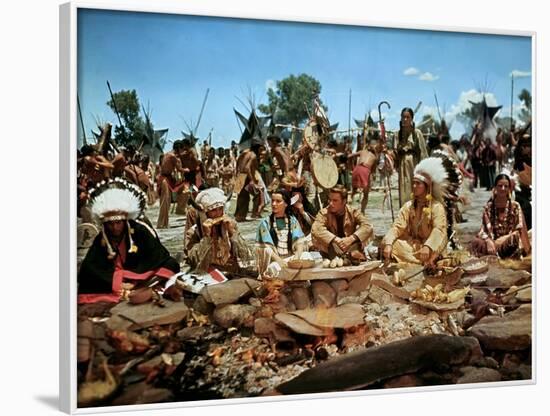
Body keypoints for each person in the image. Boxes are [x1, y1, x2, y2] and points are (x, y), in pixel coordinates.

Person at [78, 178, 180, 304]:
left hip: (141, 275)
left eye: (118, 223)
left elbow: (159, 256)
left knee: (171, 264)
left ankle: (143, 288)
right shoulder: (102, 237)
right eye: (110, 224)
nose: (114, 227)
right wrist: (117, 282)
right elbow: (89, 268)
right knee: (87, 279)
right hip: (116, 279)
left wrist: (135, 281)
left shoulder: (140, 230)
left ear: (125, 221)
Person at [382, 155, 459, 265]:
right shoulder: (408, 206)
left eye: (418, 183)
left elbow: (439, 230)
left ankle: (427, 261)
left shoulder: (437, 207)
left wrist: (428, 246)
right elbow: (397, 227)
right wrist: (388, 243)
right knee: (392, 245)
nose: (414, 186)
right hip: (415, 247)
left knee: (436, 251)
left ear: (427, 187)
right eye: (413, 183)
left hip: (432, 247)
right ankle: (423, 263)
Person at [186, 187, 254, 275]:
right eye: (213, 210)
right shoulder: (193, 232)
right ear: (205, 213)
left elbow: (246, 255)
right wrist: (207, 237)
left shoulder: (231, 225)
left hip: (231, 271)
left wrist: (232, 233)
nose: (218, 213)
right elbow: (193, 260)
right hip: (207, 273)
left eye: (220, 209)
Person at [470, 173, 530, 258]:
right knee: (476, 242)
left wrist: (505, 239)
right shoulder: (489, 207)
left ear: (509, 188)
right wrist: (488, 241)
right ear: (495, 188)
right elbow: (483, 229)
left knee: (514, 239)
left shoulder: (515, 206)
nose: (503, 189)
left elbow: (519, 228)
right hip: (493, 243)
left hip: (509, 242)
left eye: (506, 186)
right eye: (500, 186)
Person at [311, 185, 373, 261]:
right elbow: (316, 229)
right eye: (329, 200)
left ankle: (351, 255)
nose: (330, 203)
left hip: (350, 245)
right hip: (332, 248)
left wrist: (351, 239)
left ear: (344, 201)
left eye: (335, 200)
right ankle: (349, 256)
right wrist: (336, 240)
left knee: (369, 231)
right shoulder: (324, 213)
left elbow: (367, 226)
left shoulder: (353, 211)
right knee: (315, 236)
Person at [256, 189, 307, 276]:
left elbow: (299, 241)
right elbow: (266, 247)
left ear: (286, 204)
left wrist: (297, 257)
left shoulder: (292, 220)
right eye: (272, 201)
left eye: (278, 201)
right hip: (276, 261)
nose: (273, 204)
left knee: (306, 255)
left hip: (291, 258)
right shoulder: (265, 223)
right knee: (273, 268)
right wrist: (279, 261)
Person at [394, 107, 429, 207]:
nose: (405, 119)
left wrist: (425, 171)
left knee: (416, 190)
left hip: (415, 166)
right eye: (403, 117)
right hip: (402, 168)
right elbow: (395, 154)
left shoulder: (417, 133)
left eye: (407, 117)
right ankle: (405, 216)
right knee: (404, 192)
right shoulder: (397, 135)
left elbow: (423, 153)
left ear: (411, 118)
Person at [156, 140, 188, 229]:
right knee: (165, 202)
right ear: (178, 148)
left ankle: (163, 223)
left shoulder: (168, 154)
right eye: (181, 149)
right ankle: (162, 224)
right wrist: (187, 170)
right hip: (165, 180)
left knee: (165, 202)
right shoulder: (173, 156)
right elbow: (179, 169)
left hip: (165, 179)